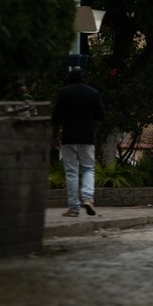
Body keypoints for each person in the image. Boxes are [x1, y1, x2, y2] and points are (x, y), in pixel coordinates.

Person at [52, 68, 105, 217]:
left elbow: (56, 117)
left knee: (71, 172)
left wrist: (54, 136)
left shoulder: (64, 92)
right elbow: (101, 115)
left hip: (68, 138)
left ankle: (74, 208)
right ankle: (88, 198)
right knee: (88, 169)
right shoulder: (93, 93)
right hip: (87, 138)